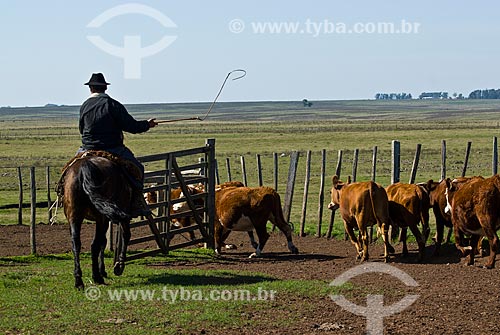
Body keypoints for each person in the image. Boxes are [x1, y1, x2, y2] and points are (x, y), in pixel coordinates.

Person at [78, 72, 158, 217]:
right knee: (138, 168)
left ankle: (63, 197)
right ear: (105, 88)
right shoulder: (113, 105)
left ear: (91, 88)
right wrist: (147, 124)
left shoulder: (84, 106)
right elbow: (131, 126)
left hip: (87, 148)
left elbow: (81, 129)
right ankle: (136, 202)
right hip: (112, 147)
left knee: (70, 170)